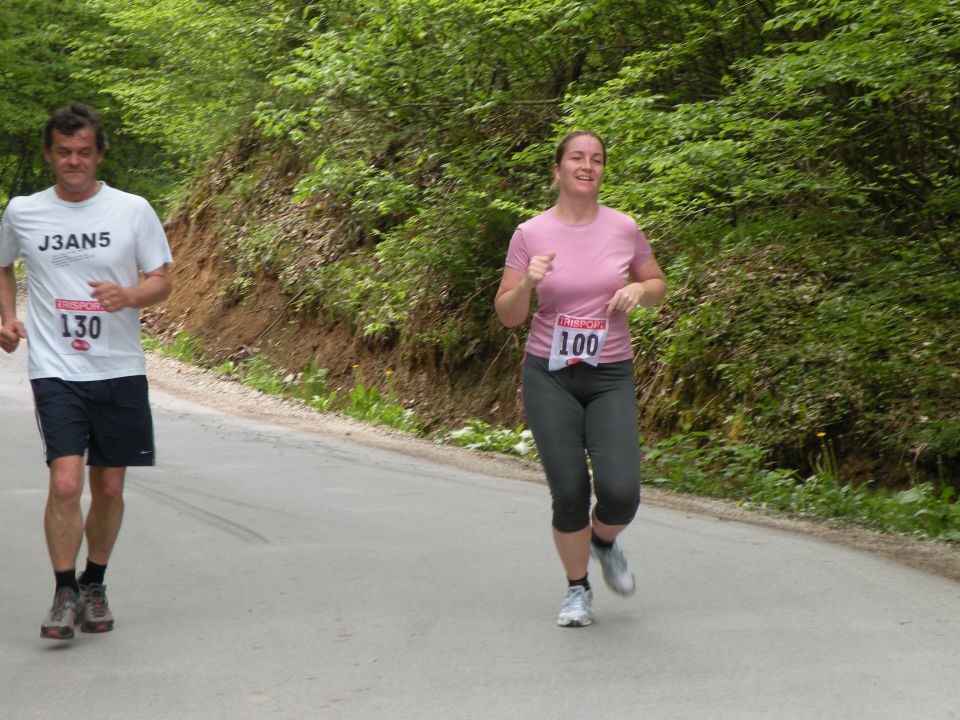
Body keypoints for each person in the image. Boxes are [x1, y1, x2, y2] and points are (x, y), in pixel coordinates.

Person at [0, 102, 173, 640]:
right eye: (63, 152)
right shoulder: (23, 211)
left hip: (119, 366)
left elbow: (162, 280)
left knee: (112, 487)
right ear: (50, 155)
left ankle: (93, 581)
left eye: (83, 152)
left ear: (99, 155)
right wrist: (6, 317)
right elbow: (2, 263)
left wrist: (130, 295)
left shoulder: (132, 210)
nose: (73, 162)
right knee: (67, 480)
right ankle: (63, 592)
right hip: (56, 367)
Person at [494, 130, 667, 627]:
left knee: (621, 493)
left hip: (609, 373)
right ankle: (577, 590)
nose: (587, 165)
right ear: (558, 170)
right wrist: (527, 282)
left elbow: (657, 284)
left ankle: (603, 541)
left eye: (596, 159)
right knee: (569, 491)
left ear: (602, 171)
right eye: (577, 157)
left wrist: (639, 290)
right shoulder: (529, 234)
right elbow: (508, 314)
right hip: (550, 375)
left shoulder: (624, 228)